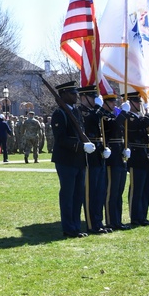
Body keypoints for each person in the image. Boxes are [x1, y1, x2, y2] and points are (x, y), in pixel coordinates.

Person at [50, 81, 91, 237]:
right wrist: (80, 146)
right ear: (64, 95)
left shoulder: (76, 112)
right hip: (66, 160)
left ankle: (76, 226)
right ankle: (68, 228)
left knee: (78, 195)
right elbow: (61, 139)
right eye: (73, 94)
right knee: (68, 195)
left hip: (79, 159)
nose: (76, 96)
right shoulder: (59, 114)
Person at [79, 86, 109, 233]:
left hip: (99, 154)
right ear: (83, 97)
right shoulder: (81, 112)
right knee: (91, 191)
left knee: (100, 191)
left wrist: (104, 148)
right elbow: (91, 120)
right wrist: (98, 107)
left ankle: (99, 222)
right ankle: (92, 224)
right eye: (92, 97)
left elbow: (110, 119)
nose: (94, 99)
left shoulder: (95, 111)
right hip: (89, 155)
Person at [126, 92, 149, 225]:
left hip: (145, 155)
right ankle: (135, 217)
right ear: (130, 103)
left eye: (139, 102)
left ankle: (142, 216)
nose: (139, 104)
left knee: (146, 188)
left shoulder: (140, 116)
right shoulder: (129, 117)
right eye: (136, 102)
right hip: (136, 155)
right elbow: (141, 124)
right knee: (136, 189)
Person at [102, 91, 129, 230]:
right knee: (111, 191)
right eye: (111, 101)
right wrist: (123, 113)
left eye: (114, 101)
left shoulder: (113, 115)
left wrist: (125, 148)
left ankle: (117, 220)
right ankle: (110, 220)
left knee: (119, 191)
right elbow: (112, 127)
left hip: (119, 155)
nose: (114, 104)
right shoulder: (104, 116)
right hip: (111, 157)